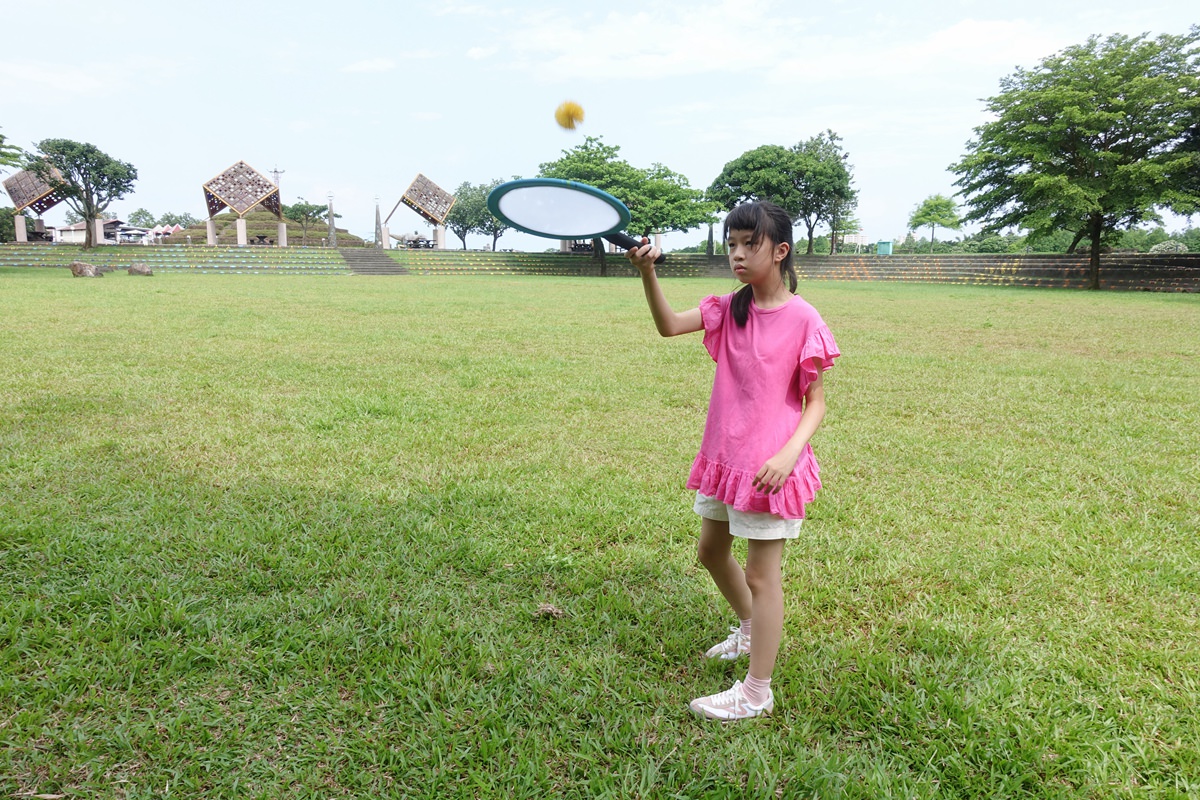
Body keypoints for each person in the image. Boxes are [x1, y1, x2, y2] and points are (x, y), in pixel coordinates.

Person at [626, 201, 840, 721]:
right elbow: (669, 325)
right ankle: (749, 629)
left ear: (781, 250)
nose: (737, 255)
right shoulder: (728, 307)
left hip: (770, 469)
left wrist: (789, 454)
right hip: (726, 457)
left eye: (750, 244)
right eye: (731, 245)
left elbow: (816, 402)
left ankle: (756, 692)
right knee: (710, 551)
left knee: (764, 578)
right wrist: (648, 273)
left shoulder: (802, 317)